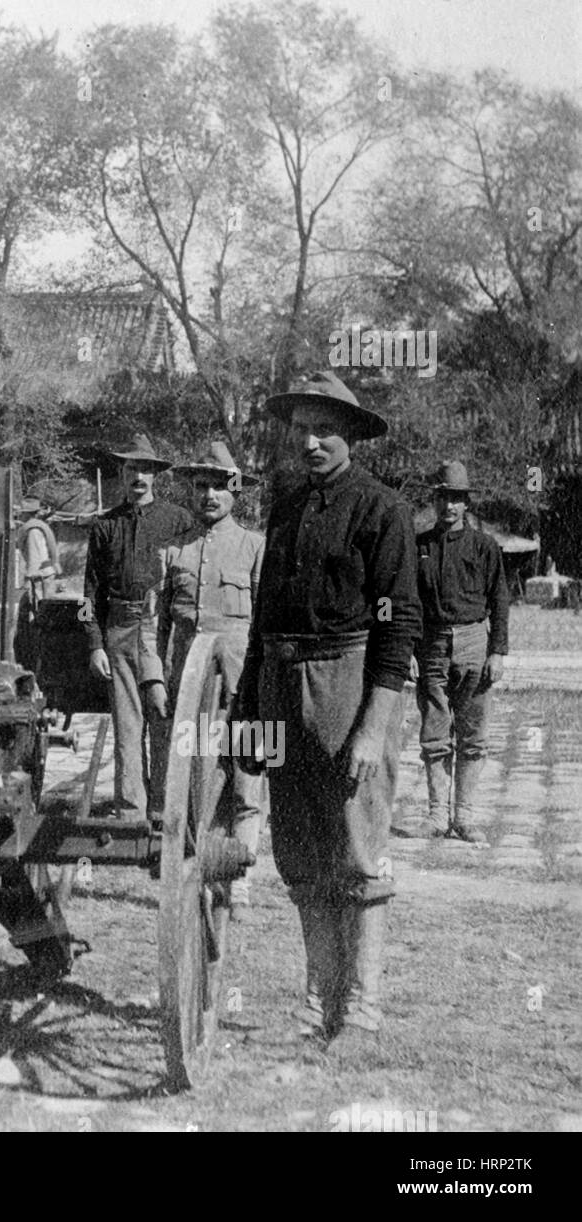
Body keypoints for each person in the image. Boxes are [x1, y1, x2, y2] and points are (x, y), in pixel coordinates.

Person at [233, 371, 421, 1043]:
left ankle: (363, 1002)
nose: (311, 442)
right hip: (280, 682)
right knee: (300, 852)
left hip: (349, 678)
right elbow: (260, 620)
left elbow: (399, 628)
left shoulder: (382, 510)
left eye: (325, 430)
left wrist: (373, 728)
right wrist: (247, 711)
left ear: (350, 435)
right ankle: (317, 998)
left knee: (356, 846)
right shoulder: (283, 509)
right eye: (301, 430)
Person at [158, 442, 266, 919]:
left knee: (246, 785)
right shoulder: (175, 552)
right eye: (200, 486)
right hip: (192, 696)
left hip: (245, 691)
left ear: (234, 492)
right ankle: (200, 875)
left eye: (219, 486)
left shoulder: (255, 547)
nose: (209, 495)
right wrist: (158, 680)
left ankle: (239, 881)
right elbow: (158, 627)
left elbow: (268, 625)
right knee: (200, 786)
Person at [83, 434, 193, 815]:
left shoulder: (178, 520)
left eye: (146, 469)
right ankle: (130, 809)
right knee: (127, 727)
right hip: (119, 628)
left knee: (162, 718)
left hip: (162, 629)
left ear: (156, 476)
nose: (139, 477)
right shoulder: (104, 526)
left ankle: (163, 808)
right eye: (132, 469)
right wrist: (95, 643)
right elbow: (89, 595)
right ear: (122, 472)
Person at [413, 461, 510, 844]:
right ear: (434, 501)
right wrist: (407, 648)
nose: (449, 507)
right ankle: (438, 816)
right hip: (431, 645)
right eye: (442, 498)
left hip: (474, 643)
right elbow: (404, 601)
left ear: (466, 503)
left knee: (473, 737)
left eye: (456, 499)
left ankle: (465, 816)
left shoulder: (485, 547)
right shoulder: (419, 545)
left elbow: (500, 599)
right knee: (434, 735)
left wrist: (497, 651)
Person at [17, 496, 61, 600]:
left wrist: (28, 579)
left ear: (27, 514)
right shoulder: (38, 526)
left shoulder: (33, 530)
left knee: (40, 609)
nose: (20, 515)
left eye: (22, 513)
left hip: (40, 576)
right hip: (43, 574)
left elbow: (35, 556)